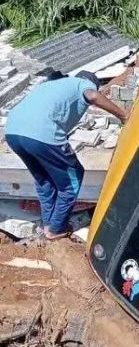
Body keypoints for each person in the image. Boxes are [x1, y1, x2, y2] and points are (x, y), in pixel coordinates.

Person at [4, 69, 128, 240]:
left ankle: (48, 224)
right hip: (41, 133)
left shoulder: (54, 85)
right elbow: (92, 95)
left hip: (13, 131)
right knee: (73, 178)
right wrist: (124, 116)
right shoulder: (84, 84)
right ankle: (56, 229)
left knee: (44, 179)